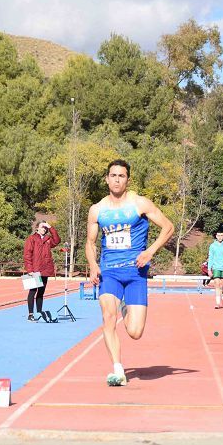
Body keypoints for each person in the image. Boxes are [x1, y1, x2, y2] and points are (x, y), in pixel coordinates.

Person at [86, 159, 175, 387]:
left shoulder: (140, 204)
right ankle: (117, 369)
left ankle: (125, 307)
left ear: (128, 179)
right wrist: (93, 265)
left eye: (121, 176)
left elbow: (168, 227)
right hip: (110, 272)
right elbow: (90, 242)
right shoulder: (97, 210)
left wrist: (150, 251)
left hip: (135, 273)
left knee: (135, 332)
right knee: (107, 316)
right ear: (106, 179)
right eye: (113, 175)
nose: (117, 179)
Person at [23, 220, 61, 321]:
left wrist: (51, 227)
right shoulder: (31, 239)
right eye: (42, 227)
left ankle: (39, 313)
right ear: (37, 228)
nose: (44, 229)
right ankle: (30, 314)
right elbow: (27, 255)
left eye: (45, 228)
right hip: (35, 269)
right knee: (32, 291)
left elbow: (57, 241)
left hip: (45, 269)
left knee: (41, 292)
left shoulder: (48, 239)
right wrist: (29, 269)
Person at [207, 230, 223, 309]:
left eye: (221, 235)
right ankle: (217, 303)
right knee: (217, 284)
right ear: (216, 236)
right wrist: (209, 269)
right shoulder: (212, 246)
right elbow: (210, 257)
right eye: (218, 235)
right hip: (216, 267)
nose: (220, 237)